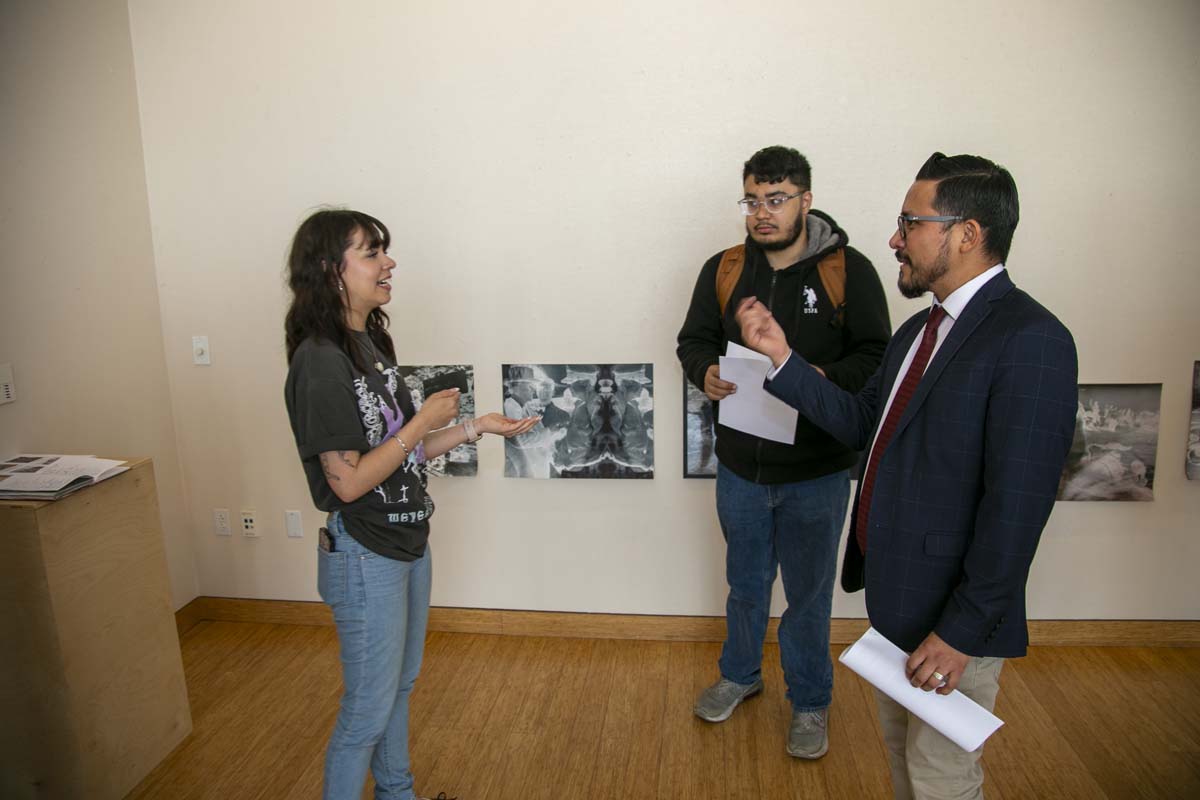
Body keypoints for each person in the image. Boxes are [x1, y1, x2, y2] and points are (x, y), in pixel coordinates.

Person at [736, 153, 1079, 799]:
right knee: (905, 762)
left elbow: (1017, 508)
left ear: (967, 233)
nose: (895, 239)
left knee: (940, 776)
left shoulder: (1031, 339)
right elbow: (864, 422)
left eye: (909, 223)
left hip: (953, 623)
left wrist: (959, 633)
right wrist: (781, 358)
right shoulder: (919, 331)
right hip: (898, 602)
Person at [283, 208, 537, 800]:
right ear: (330, 269)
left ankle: (398, 793)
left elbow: (400, 454)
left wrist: (474, 427)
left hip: (408, 541)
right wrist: (422, 419)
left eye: (384, 251)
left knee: (398, 687)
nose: (388, 263)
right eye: (372, 253)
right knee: (366, 711)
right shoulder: (320, 361)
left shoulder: (370, 343)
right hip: (364, 551)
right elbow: (348, 483)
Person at [676, 145, 891, 757]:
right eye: (752, 201)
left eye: (776, 200)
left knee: (808, 596)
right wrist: (705, 371)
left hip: (817, 472)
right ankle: (740, 676)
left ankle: (811, 702)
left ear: (806, 200)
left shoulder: (849, 270)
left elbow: (876, 358)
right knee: (745, 584)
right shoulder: (724, 268)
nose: (762, 213)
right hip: (740, 468)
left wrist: (814, 378)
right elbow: (692, 340)